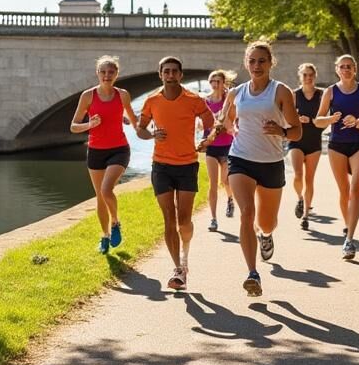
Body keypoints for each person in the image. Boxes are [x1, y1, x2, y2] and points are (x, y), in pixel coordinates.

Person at [217, 41, 301, 296]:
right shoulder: (236, 93)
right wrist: (229, 128)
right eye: (252, 61)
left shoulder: (281, 91)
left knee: (267, 221)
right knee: (246, 213)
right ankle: (253, 273)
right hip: (240, 158)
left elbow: (296, 132)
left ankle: (266, 235)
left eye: (262, 61)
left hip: (271, 162)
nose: (256, 66)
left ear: (270, 63)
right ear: (246, 63)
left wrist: (282, 131)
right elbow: (226, 120)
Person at [137, 57, 215, 290]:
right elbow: (140, 129)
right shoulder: (152, 101)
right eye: (166, 71)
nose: (170, 75)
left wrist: (205, 140)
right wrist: (151, 135)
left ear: (181, 75)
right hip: (160, 166)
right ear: (160, 74)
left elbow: (210, 121)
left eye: (174, 72)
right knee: (168, 219)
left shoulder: (194, 99)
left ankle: (185, 256)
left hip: (187, 165)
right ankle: (178, 269)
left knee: (184, 222)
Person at [70, 55, 143, 254]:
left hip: (119, 149)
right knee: (100, 197)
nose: (106, 75)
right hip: (95, 151)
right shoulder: (88, 96)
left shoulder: (123, 95)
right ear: (97, 73)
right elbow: (73, 126)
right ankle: (104, 235)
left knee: (106, 190)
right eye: (103, 72)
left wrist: (140, 127)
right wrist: (89, 125)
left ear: (116, 74)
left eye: (111, 72)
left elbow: (134, 120)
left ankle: (115, 222)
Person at [318, 54, 359, 260]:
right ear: (337, 69)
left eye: (349, 66)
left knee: (355, 190)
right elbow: (318, 120)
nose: (346, 70)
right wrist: (330, 118)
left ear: (355, 68)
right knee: (343, 190)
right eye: (342, 67)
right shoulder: (330, 92)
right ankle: (347, 224)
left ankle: (349, 239)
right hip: (337, 145)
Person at [288, 63, 333, 231]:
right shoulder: (294, 94)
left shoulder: (322, 94)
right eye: (305, 75)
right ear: (300, 76)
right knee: (298, 175)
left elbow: (327, 118)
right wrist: (297, 119)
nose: (308, 78)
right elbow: (286, 116)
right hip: (297, 140)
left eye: (311, 75)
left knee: (309, 179)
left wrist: (318, 122)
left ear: (315, 76)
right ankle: (300, 198)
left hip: (314, 140)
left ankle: (306, 214)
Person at [199, 69, 236, 232]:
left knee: (226, 181)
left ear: (224, 83)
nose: (214, 85)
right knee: (213, 183)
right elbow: (200, 124)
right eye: (212, 81)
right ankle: (213, 219)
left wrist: (224, 120)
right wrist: (208, 123)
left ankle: (230, 198)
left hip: (228, 145)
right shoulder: (205, 101)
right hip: (211, 146)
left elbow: (232, 126)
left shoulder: (229, 101)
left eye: (218, 82)